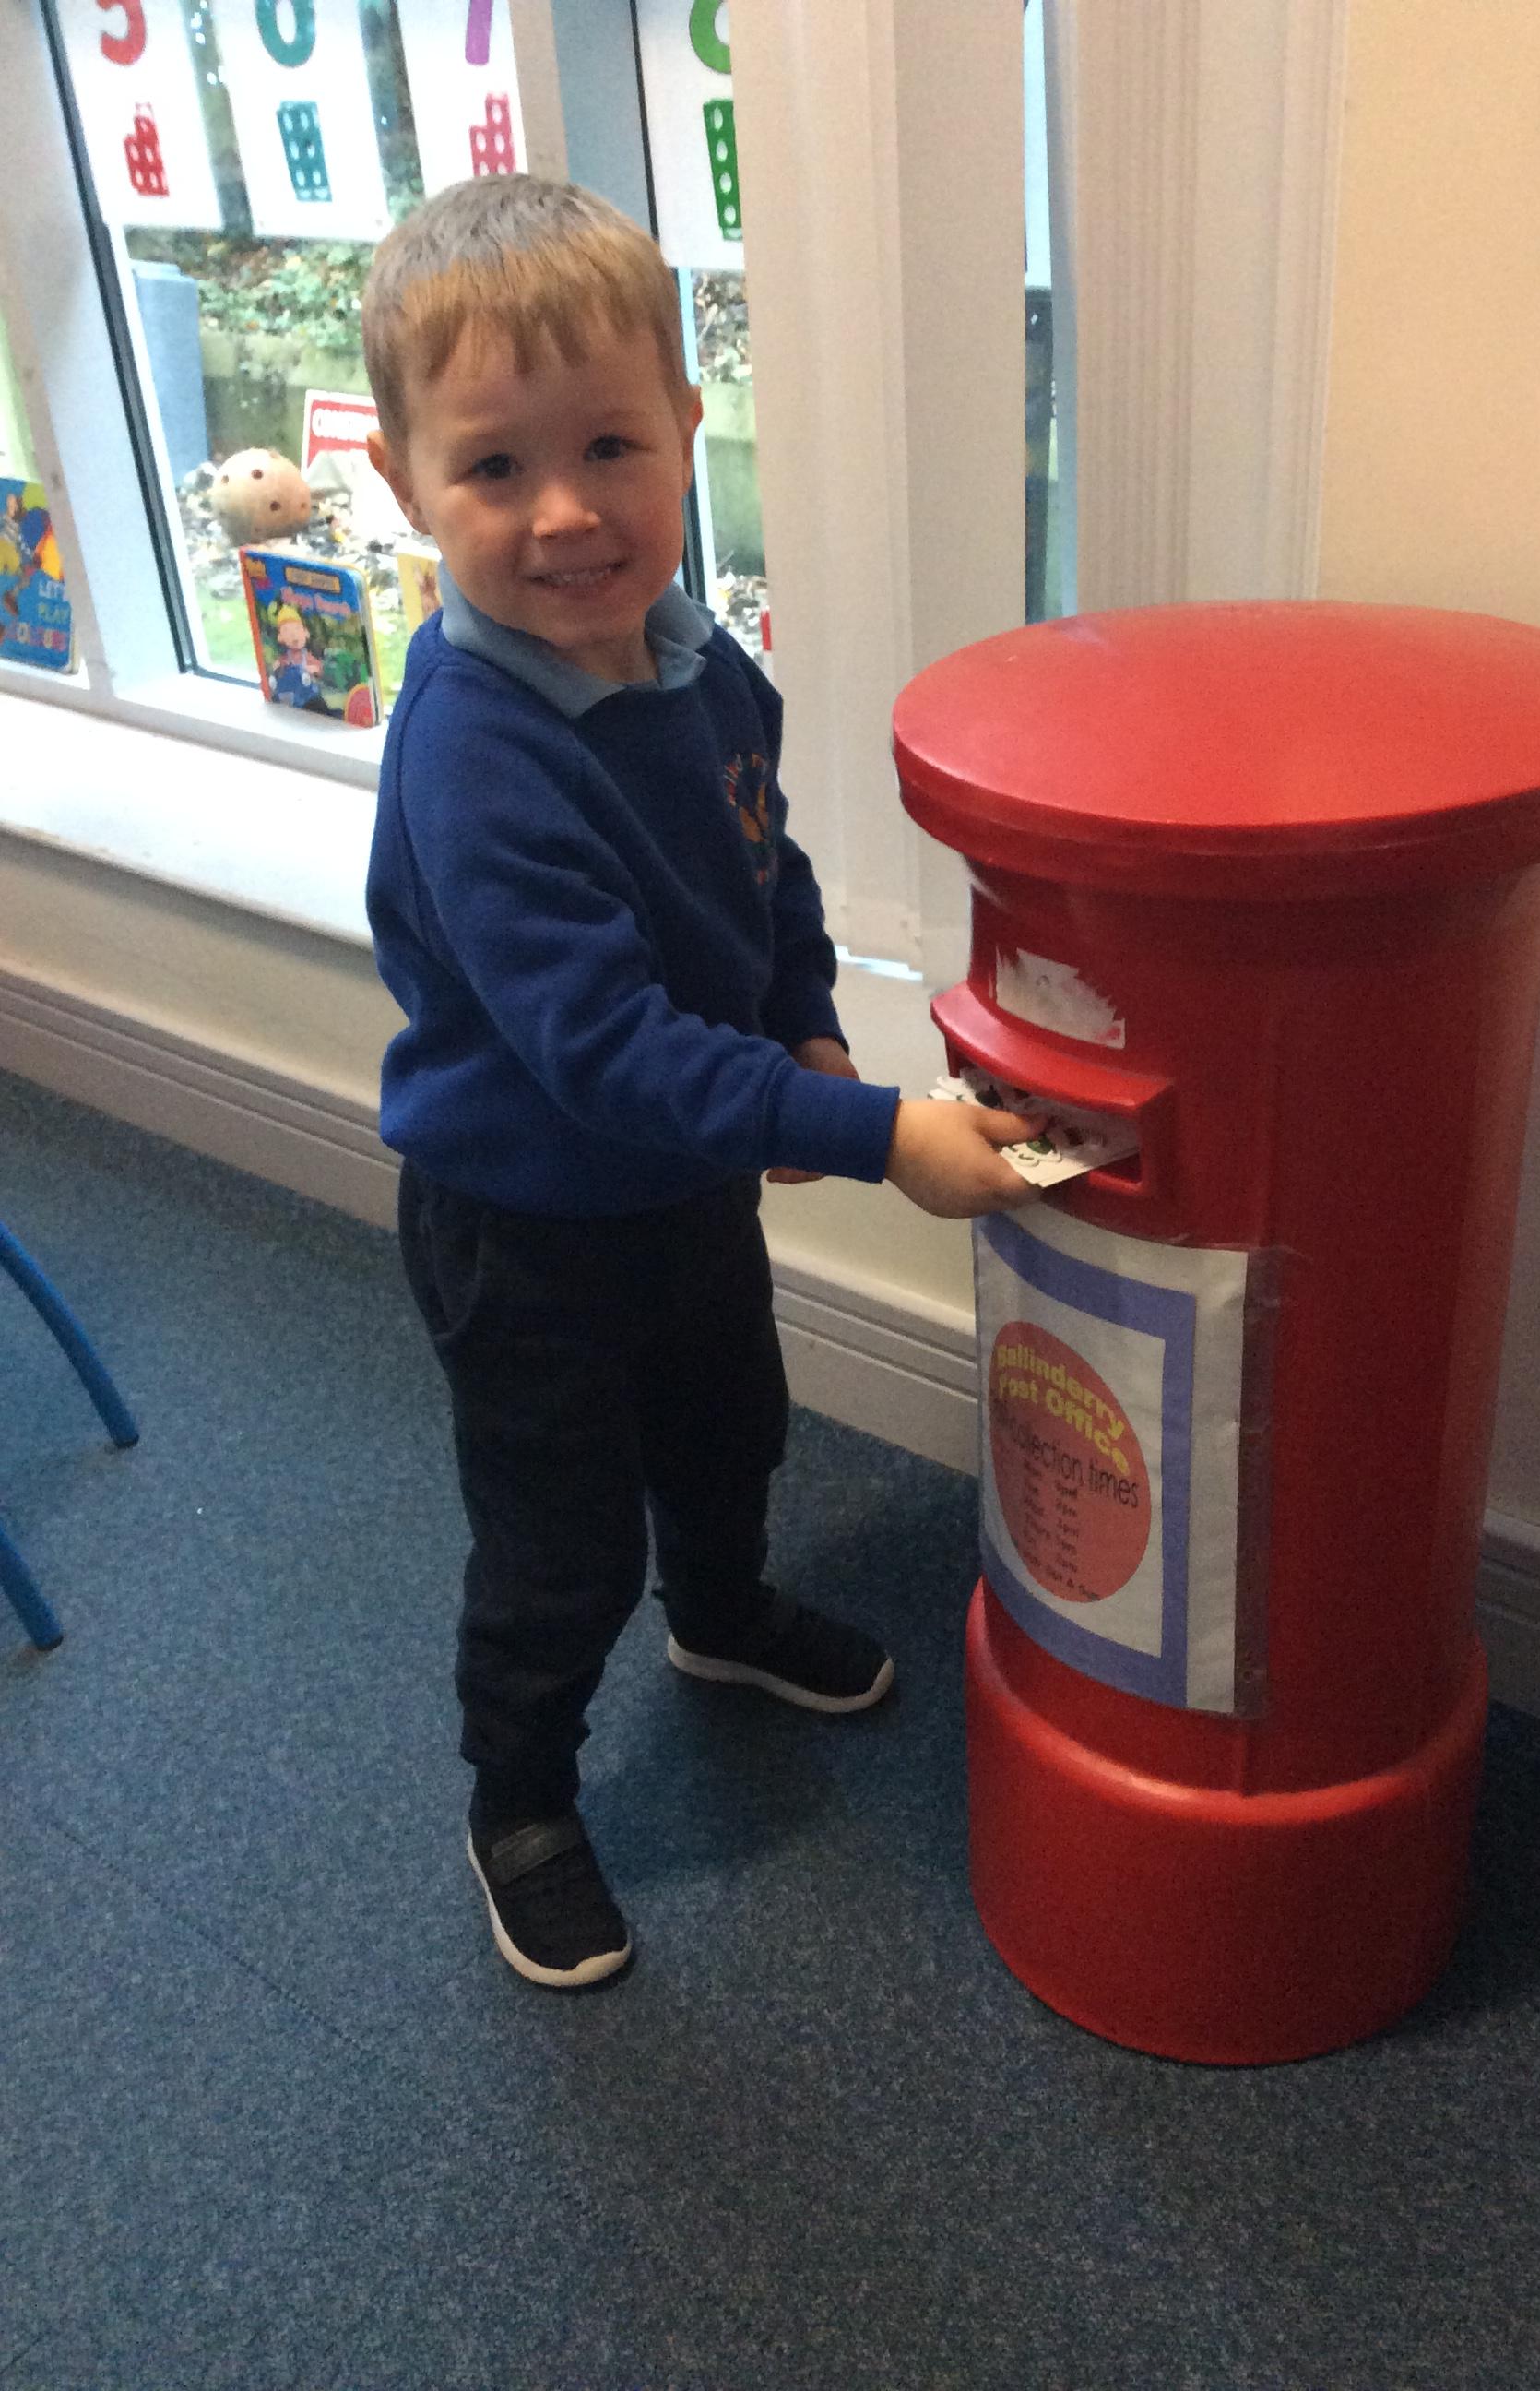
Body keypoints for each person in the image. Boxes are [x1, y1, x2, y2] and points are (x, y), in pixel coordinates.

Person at [360, 176, 1039, 1991]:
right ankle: (520, 1800)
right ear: (405, 485)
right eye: (494, 468)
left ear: (682, 430)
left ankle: (722, 1615)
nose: (566, 511)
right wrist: (878, 1135)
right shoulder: (475, 753)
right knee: (559, 1545)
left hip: (676, 1192)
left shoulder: (694, 658)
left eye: (609, 446)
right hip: (523, 1226)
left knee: (729, 1426)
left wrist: (803, 1020)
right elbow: (603, 1051)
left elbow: (762, 865)